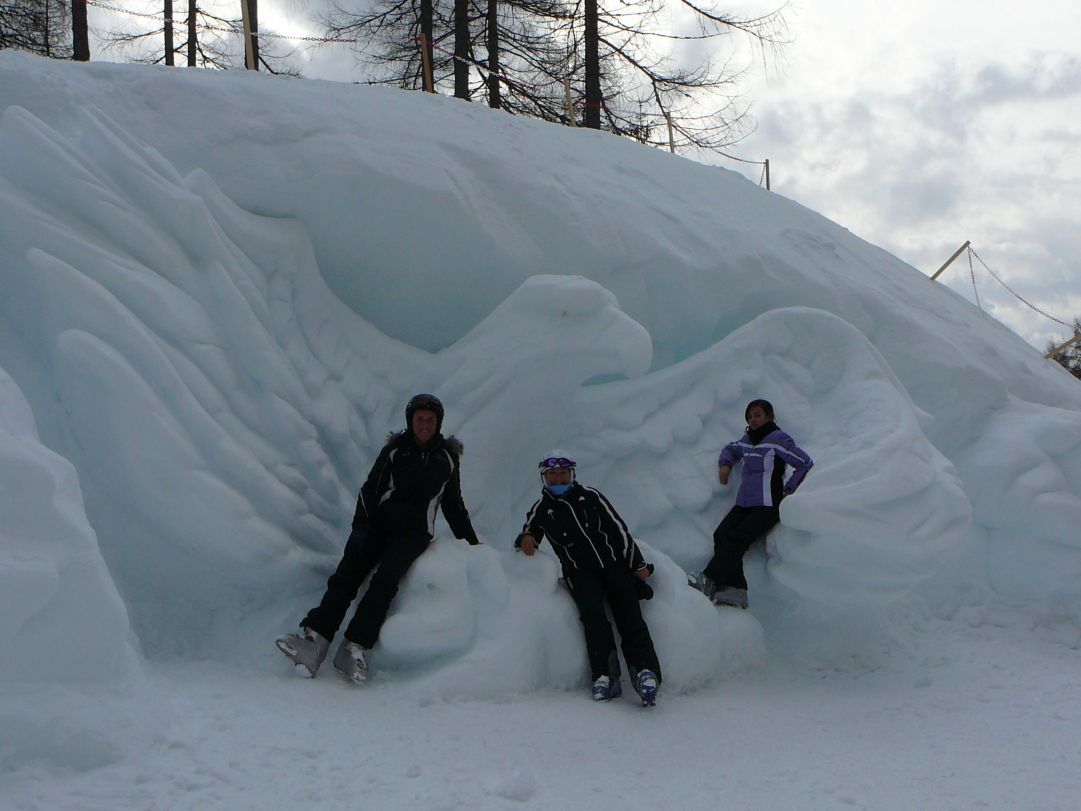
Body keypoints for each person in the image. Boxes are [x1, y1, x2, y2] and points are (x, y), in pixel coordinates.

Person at [276, 393, 481, 684]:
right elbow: (371, 490)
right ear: (410, 421)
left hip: (413, 534)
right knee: (347, 573)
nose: (424, 424)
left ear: (438, 423)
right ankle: (315, 641)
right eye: (419, 418)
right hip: (379, 525)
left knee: (385, 581)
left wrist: (472, 544)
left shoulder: (447, 458)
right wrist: (360, 527)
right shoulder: (396, 451)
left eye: (430, 419)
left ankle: (353, 648)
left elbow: (453, 505)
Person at [514, 451, 662, 706]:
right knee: (593, 618)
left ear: (572, 474)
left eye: (563, 473)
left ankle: (645, 672)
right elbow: (530, 531)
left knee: (630, 616)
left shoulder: (591, 497)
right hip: (579, 573)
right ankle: (605, 674)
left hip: (613, 564)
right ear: (545, 478)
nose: (558, 479)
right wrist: (526, 539)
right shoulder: (542, 508)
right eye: (553, 475)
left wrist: (636, 563)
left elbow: (618, 529)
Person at [689, 399, 813, 609]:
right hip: (744, 503)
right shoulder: (747, 440)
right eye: (749, 416)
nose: (752, 419)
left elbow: (804, 463)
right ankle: (737, 591)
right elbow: (732, 449)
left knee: (737, 539)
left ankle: (708, 579)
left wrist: (790, 488)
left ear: (769, 416)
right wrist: (725, 464)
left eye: (757, 415)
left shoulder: (778, 439)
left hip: (767, 504)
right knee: (721, 535)